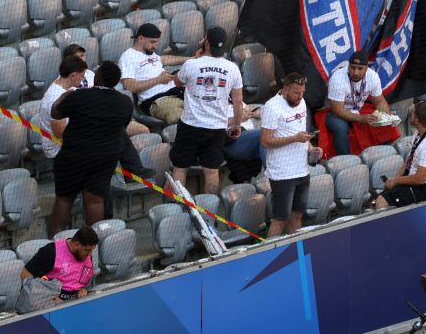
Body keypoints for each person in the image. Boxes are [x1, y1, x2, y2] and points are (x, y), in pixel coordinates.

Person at [47, 62, 134, 234]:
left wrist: (64, 96)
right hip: (105, 158)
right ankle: (93, 246)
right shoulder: (125, 102)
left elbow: (55, 113)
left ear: (98, 77)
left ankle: (55, 242)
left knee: (65, 199)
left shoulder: (79, 96)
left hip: (74, 156)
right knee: (95, 200)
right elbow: (123, 125)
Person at [169, 26, 244, 196]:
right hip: (216, 128)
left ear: (207, 42)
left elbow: (176, 83)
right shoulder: (232, 68)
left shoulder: (191, 64)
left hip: (190, 126)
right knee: (211, 171)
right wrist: (237, 125)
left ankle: (177, 206)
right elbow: (238, 103)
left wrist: (196, 60)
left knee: (180, 167)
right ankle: (209, 212)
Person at [259, 73, 320, 236]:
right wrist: (294, 139)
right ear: (285, 89)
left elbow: (301, 133)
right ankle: (270, 256)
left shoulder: (302, 102)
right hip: (282, 173)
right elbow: (265, 141)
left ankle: (297, 252)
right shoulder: (272, 106)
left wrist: (312, 148)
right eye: (296, 93)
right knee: (280, 219)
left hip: (302, 169)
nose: (300, 97)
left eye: (302, 93)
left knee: (297, 215)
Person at [374, 102, 426, 208]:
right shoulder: (419, 133)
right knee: (385, 193)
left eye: (413, 114)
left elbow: (420, 179)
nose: (411, 115)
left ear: (418, 120)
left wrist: (395, 181)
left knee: (381, 201)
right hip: (419, 180)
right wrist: (394, 180)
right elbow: (409, 160)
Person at [324, 52, 395, 156]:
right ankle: (345, 160)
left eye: (360, 69)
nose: (355, 72)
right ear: (348, 66)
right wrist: (361, 118)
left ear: (366, 68)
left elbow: (379, 101)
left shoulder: (373, 76)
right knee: (341, 128)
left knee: (385, 123)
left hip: (358, 108)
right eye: (352, 68)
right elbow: (337, 110)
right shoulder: (337, 78)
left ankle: (384, 155)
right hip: (335, 112)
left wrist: (386, 116)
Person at [118, 23, 193, 114]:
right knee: (187, 116)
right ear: (141, 39)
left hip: (175, 92)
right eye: (152, 42)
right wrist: (158, 80)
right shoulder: (128, 56)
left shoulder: (149, 52)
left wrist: (191, 59)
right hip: (156, 100)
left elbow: (164, 59)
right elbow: (130, 87)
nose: (155, 46)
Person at [20, 227, 99, 302]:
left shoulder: (86, 255)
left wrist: (82, 289)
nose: (89, 254)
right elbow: (25, 275)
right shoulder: (50, 251)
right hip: (49, 304)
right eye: (87, 250)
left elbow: (82, 279)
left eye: (92, 250)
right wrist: (48, 298)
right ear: (76, 244)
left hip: (76, 301)